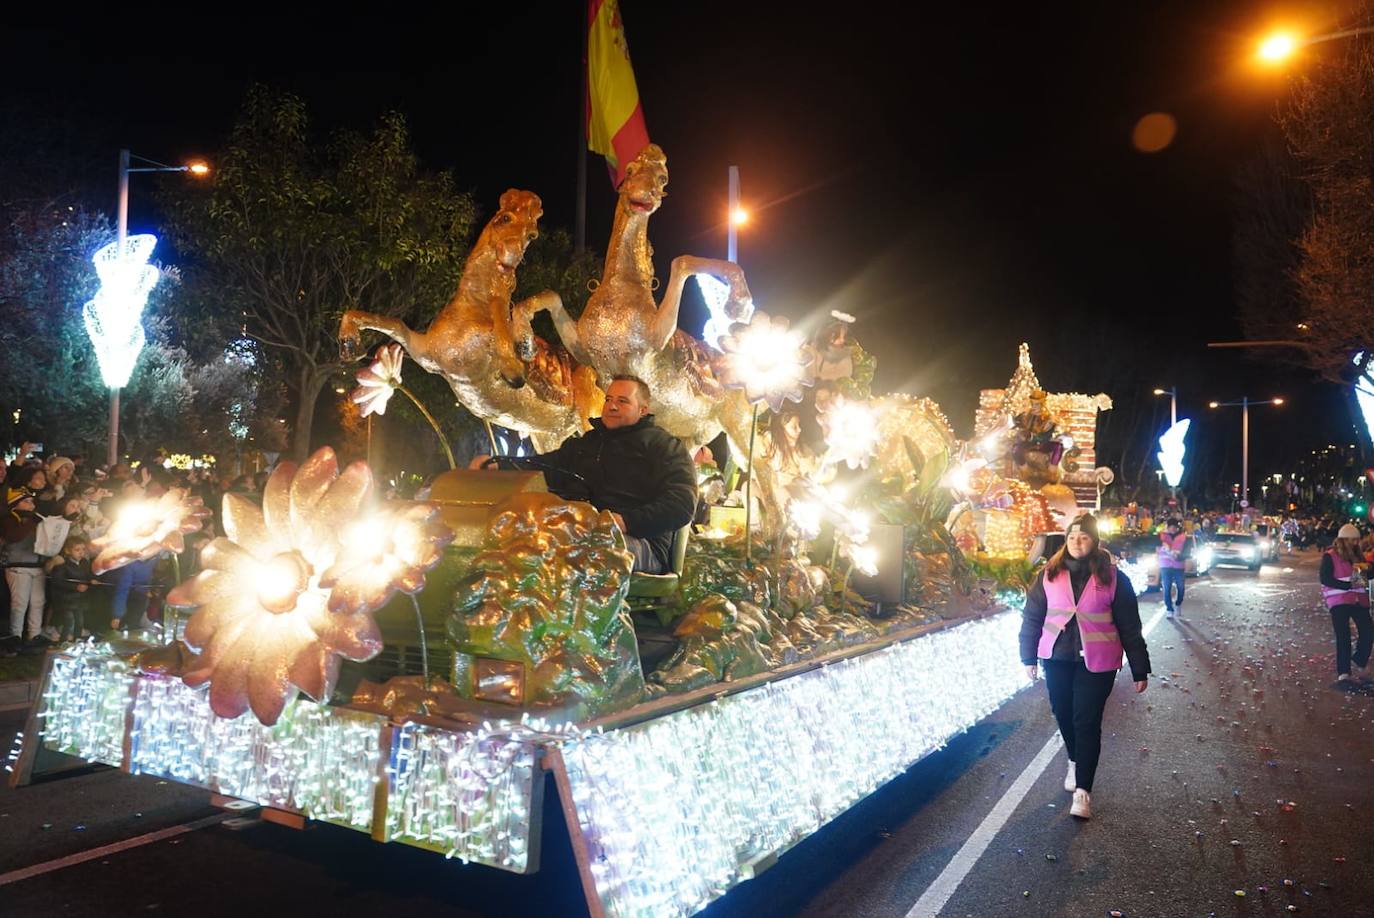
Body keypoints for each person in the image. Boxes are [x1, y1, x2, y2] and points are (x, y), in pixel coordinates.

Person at [470, 375, 697, 574]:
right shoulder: (587, 444)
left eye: (622, 401)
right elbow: (546, 466)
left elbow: (682, 504)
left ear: (643, 410)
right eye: (608, 399)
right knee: (520, 536)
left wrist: (625, 522)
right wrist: (499, 466)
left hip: (639, 543)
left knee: (575, 547)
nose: (612, 406)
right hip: (581, 530)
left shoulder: (664, 447)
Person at [1019, 514, 1151, 820]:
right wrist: (1028, 657)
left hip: (1098, 663)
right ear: (1066, 541)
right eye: (1072, 538)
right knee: (1064, 714)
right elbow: (1032, 618)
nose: (1078, 543)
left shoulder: (1115, 578)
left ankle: (1083, 792)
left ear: (1094, 542)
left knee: (1086, 721)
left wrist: (1140, 668)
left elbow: (1130, 625)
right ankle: (1075, 759)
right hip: (1057, 658)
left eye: (1084, 538)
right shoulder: (1048, 574)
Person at [1318, 523, 1373, 686]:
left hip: (1359, 600)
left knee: (1368, 633)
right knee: (1343, 636)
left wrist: (1369, 571)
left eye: (1357, 540)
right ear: (1343, 540)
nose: (1356, 543)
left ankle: (1358, 660)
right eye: (1352, 540)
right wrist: (1348, 586)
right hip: (1339, 600)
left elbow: (1362, 579)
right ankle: (1344, 672)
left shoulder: (1358, 557)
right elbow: (1325, 578)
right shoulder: (1330, 556)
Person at [1, 484, 46, 642]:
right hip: (17, 566)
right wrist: (32, 522)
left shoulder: (35, 519)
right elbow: (14, 536)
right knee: (19, 603)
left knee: (38, 602)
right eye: (26, 501)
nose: (31, 504)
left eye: (32, 501)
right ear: (16, 503)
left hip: (37, 566)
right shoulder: (10, 519)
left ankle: (35, 634)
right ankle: (16, 636)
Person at [45, 534, 94, 642]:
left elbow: (88, 575)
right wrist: (76, 587)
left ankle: (77, 641)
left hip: (80, 599)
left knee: (80, 621)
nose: (81, 552)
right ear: (67, 551)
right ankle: (63, 642)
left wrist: (92, 580)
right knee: (69, 621)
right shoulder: (62, 564)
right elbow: (58, 582)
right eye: (77, 550)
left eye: (83, 549)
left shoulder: (84, 563)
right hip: (66, 600)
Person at [1157, 518, 1187, 618]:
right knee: (1166, 587)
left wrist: (1179, 555)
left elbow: (1187, 550)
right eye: (1171, 527)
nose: (1173, 529)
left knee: (1181, 587)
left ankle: (1178, 604)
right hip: (1165, 565)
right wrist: (1165, 549)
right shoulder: (1161, 536)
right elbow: (1156, 548)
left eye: (1175, 527)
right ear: (1168, 527)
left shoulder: (1183, 537)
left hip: (1178, 565)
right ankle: (1169, 609)